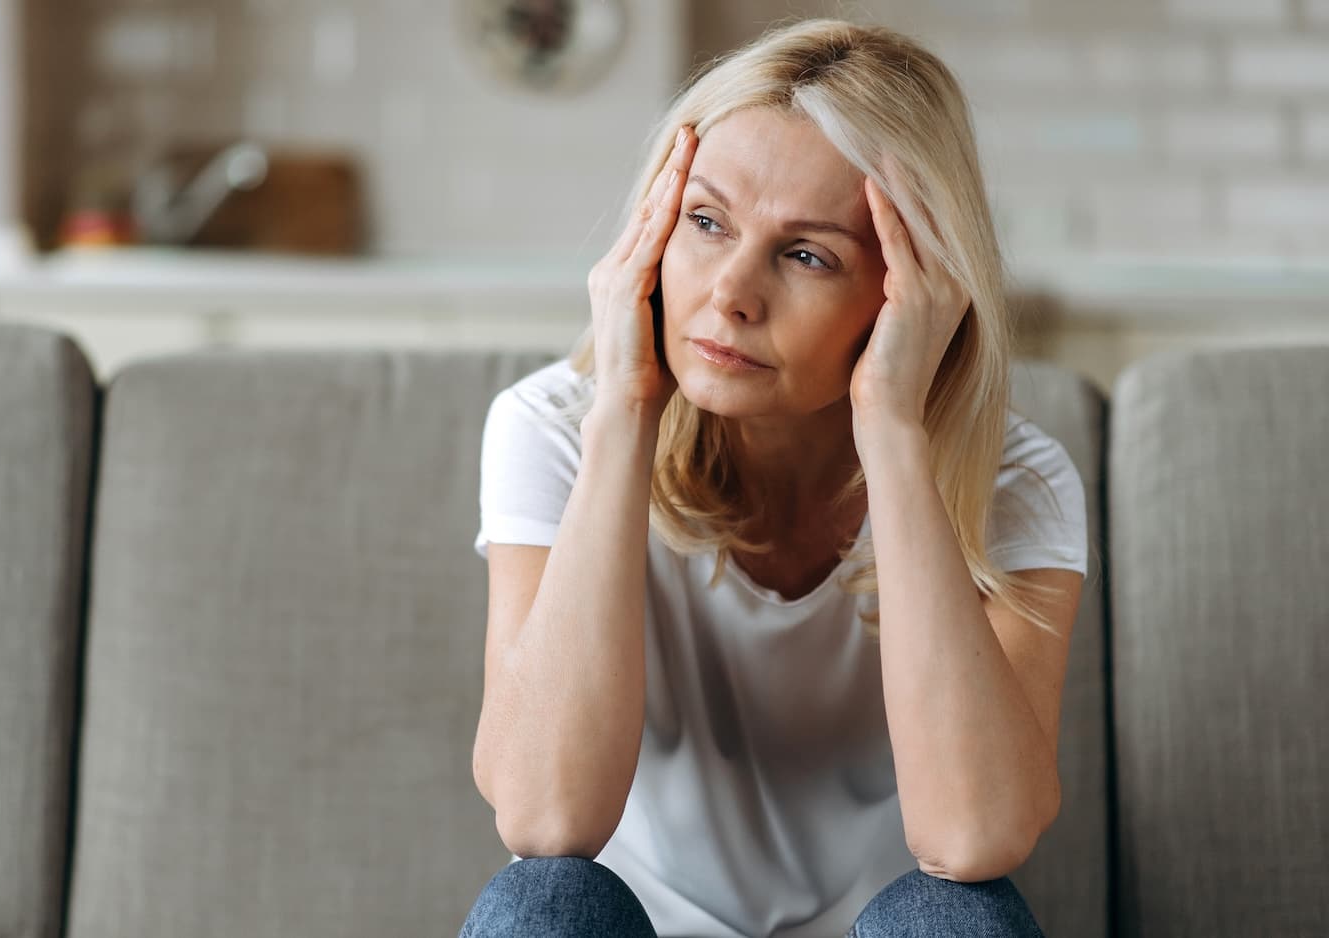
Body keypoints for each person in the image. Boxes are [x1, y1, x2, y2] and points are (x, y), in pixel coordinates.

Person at [461, 17, 1090, 938]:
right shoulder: (554, 429)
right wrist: (627, 412)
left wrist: (893, 434)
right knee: (540, 903)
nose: (731, 293)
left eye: (807, 255)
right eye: (706, 222)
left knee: (958, 919)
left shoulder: (1015, 481)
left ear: (908, 291)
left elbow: (975, 837)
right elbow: (545, 819)